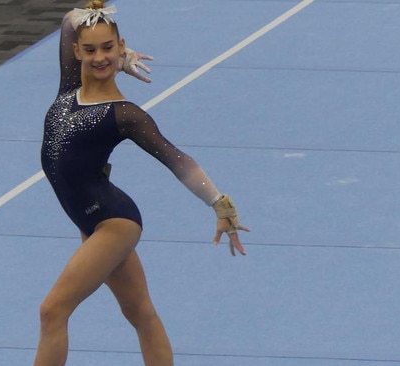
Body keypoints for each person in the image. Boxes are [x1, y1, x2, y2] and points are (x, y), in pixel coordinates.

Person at [36, 1, 249, 365]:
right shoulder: (70, 83)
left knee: (52, 310)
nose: (99, 57)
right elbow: (72, 18)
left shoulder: (124, 114)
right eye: (90, 49)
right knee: (141, 314)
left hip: (112, 222)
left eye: (108, 48)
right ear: (76, 51)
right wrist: (111, 38)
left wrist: (220, 204)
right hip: (92, 220)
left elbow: (177, 160)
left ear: (119, 45)